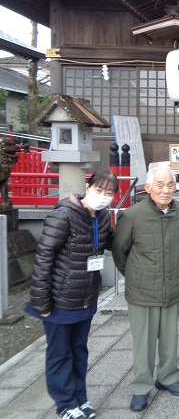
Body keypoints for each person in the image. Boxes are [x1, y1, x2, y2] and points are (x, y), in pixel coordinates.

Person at [27, 170, 118, 419]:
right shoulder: (64, 214)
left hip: (86, 297)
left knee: (79, 350)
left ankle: (80, 398)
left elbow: (113, 243)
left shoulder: (103, 216)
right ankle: (66, 404)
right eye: (99, 190)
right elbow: (43, 258)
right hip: (59, 298)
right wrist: (41, 301)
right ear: (87, 187)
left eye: (109, 192)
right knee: (60, 353)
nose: (103, 196)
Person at [112, 167, 179, 413]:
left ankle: (167, 377)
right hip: (142, 290)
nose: (166, 190)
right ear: (147, 188)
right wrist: (136, 275)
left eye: (170, 184)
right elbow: (119, 251)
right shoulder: (132, 215)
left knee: (169, 337)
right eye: (160, 185)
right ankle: (141, 386)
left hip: (172, 285)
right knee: (143, 342)